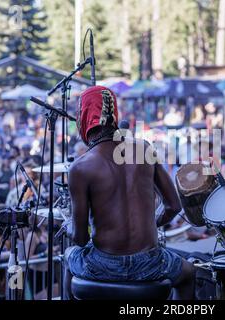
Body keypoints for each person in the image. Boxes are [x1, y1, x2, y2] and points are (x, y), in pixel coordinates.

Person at [64, 86, 195, 300]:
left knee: (69, 256)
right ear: (114, 115)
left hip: (105, 264)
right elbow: (174, 206)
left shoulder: (80, 167)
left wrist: (69, 226)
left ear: (84, 118)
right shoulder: (143, 149)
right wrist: (151, 223)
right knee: (189, 273)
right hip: (150, 262)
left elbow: (80, 238)